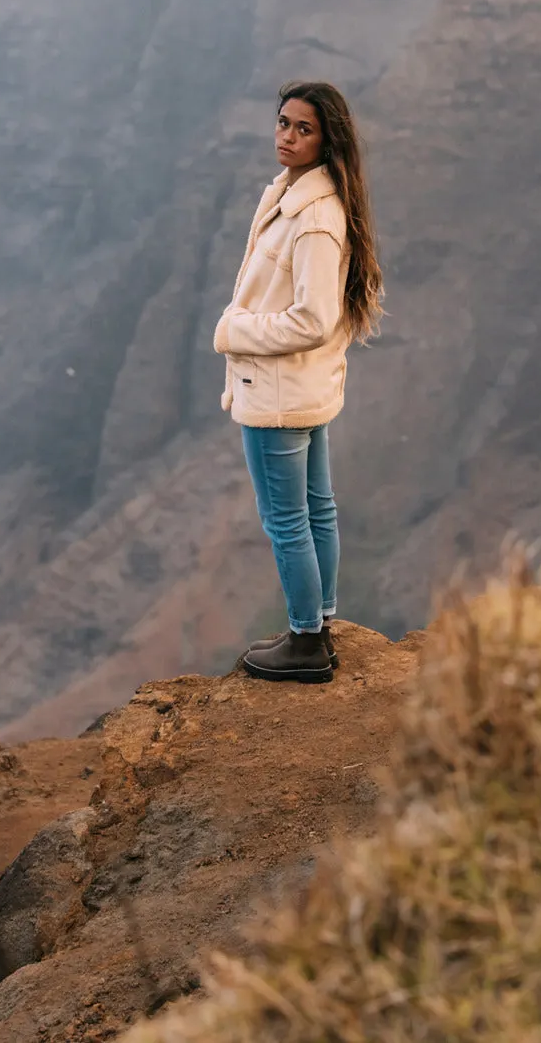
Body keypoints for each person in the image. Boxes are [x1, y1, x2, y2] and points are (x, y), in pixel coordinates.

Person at [213, 81, 383, 683]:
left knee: (289, 519)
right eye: (283, 123)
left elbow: (313, 318)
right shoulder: (301, 197)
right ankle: (319, 623)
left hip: (278, 392)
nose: (287, 137)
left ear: (326, 139)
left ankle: (307, 641)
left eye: (303, 129)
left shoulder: (314, 219)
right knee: (317, 510)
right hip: (301, 388)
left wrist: (237, 331)